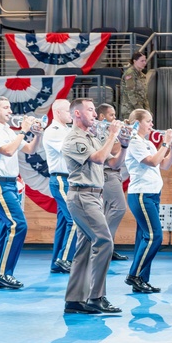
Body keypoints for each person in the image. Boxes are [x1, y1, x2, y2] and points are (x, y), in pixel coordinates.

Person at [62, 98, 128, 314]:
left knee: (85, 248)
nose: (94, 114)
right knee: (104, 242)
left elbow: (113, 163)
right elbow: (99, 158)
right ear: (77, 114)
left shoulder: (91, 137)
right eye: (90, 110)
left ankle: (74, 299)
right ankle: (96, 297)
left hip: (93, 196)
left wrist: (124, 145)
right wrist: (111, 135)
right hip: (82, 196)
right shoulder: (73, 138)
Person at [0, 96, 41, 290]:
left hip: (10, 183)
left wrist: (36, 134)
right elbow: (7, 151)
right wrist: (23, 131)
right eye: (5, 108)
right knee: (18, 225)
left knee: (8, 229)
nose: (10, 111)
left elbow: (30, 150)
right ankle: (3, 273)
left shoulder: (7, 130)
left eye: (9, 107)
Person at [124, 109, 172, 294]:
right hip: (141, 194)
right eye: (149, 121)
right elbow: (152, 162)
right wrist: (165, 143)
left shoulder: (147, 143)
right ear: (137, 123)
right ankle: (134, 275)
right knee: (155, 236)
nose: (152, 124)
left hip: (152, 194)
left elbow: (164, 165)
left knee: (144, 238)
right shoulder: (134, 142)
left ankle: (142, 279)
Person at [41, 99, 76, 274]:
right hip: (61, 179)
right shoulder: (53, 131)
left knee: (63, 223)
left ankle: (56, 262)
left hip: (67, 179)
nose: (72, 114)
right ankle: (65, 258)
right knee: (75, 220)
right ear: (58, 112)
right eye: (69, 111)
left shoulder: (66, 129)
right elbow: (70, 150)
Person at [96, 103, 129, 261]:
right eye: (112, 115)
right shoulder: (101, 131)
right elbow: (111, 151)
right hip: (107, 173)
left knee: (108, 212)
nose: (115, 119)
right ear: (102, 117)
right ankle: (103, 244)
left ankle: (108, 247)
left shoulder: (109, 132)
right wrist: (123, 139)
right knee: (119, 208)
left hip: (113, 173)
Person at [120, 51, 150, 119]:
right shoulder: (130, 74)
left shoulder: (142, 75)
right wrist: (140, 110)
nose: (144, 63)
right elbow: (131, 94)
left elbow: (144, 95)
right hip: (130, 110)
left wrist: (147, 110)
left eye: (145, 61)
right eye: (142, 61)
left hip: (141, 109)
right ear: (135, 61)